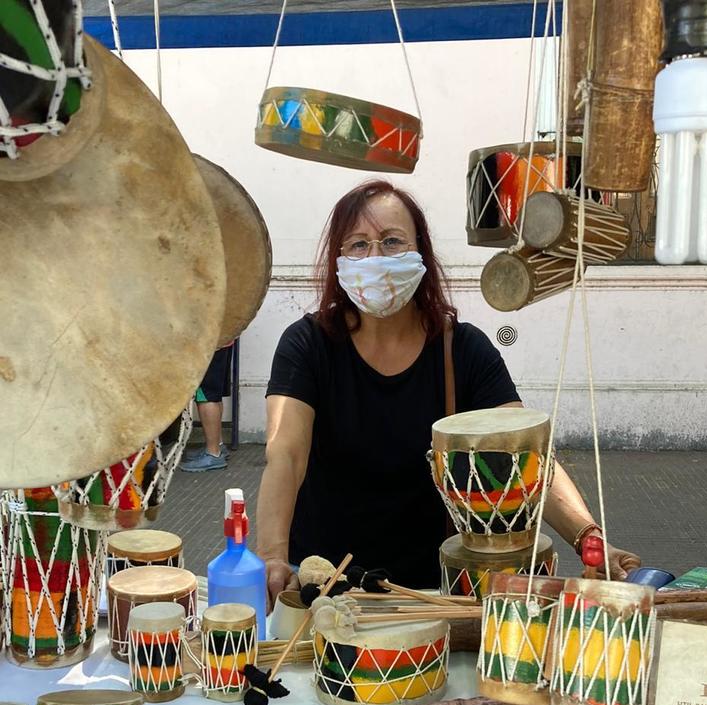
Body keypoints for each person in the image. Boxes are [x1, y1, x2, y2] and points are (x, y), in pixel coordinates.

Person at [256, 180, 640, 609]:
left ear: (421, 250)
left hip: (436, 593)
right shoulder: (307, 345)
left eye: (392, 241)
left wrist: (589, 539)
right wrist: (272, 556)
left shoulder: (463, 350)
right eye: (358, 245)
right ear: (338, 259)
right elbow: (285, 453)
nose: (376, 257)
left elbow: (527, 455)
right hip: (323, 588)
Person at [180, 345, 233, 472]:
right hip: (223, 341)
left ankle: (213, 453)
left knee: (206, 394)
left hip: (210, 342)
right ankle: (218, 446)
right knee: (214, 394)